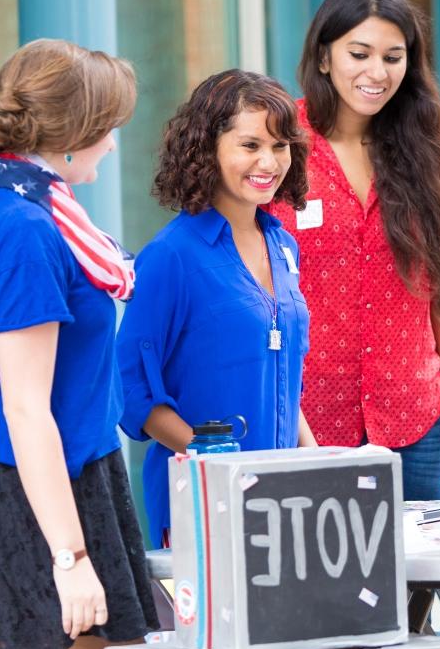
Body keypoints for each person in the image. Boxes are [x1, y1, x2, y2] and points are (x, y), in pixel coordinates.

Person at [0, 39, 157, 649]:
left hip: (56, 486)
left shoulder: (1, 211)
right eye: (108, 128)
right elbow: (23, 409)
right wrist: (69, 558)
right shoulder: (24, 230)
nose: (113, 145)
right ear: (72, 135)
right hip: (33, 499)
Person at [267, 0, 440, 503]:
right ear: (324, 57)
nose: (377, 73)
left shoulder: (422, 144)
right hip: (306, 421)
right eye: (359, 54)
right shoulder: (280, 141)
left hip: (412, 415)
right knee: (322, 583)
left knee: (413, 579)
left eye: (393, 57)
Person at [118, 69, 317, 542]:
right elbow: (131, 391)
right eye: (250, 145)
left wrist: (316, 464)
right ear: (206, 149)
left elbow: (285, 374)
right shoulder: (171, 257)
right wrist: (220, 466)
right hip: (204, 503)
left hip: (282, 499)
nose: (268, 161)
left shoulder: (285, 246)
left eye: (280, 146)